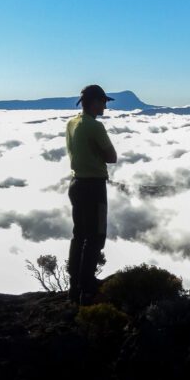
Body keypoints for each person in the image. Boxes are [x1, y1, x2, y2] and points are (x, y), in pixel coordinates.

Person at [66, 84, 118, 305]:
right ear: (95, 102)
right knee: (95, 237)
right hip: (94, 186)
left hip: (76, 183)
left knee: (79, 235)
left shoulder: (72, 122)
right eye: (104, 101)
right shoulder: (95, 127)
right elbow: (112, 157)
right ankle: (87, 286)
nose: (105, 106)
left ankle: (74, 285)